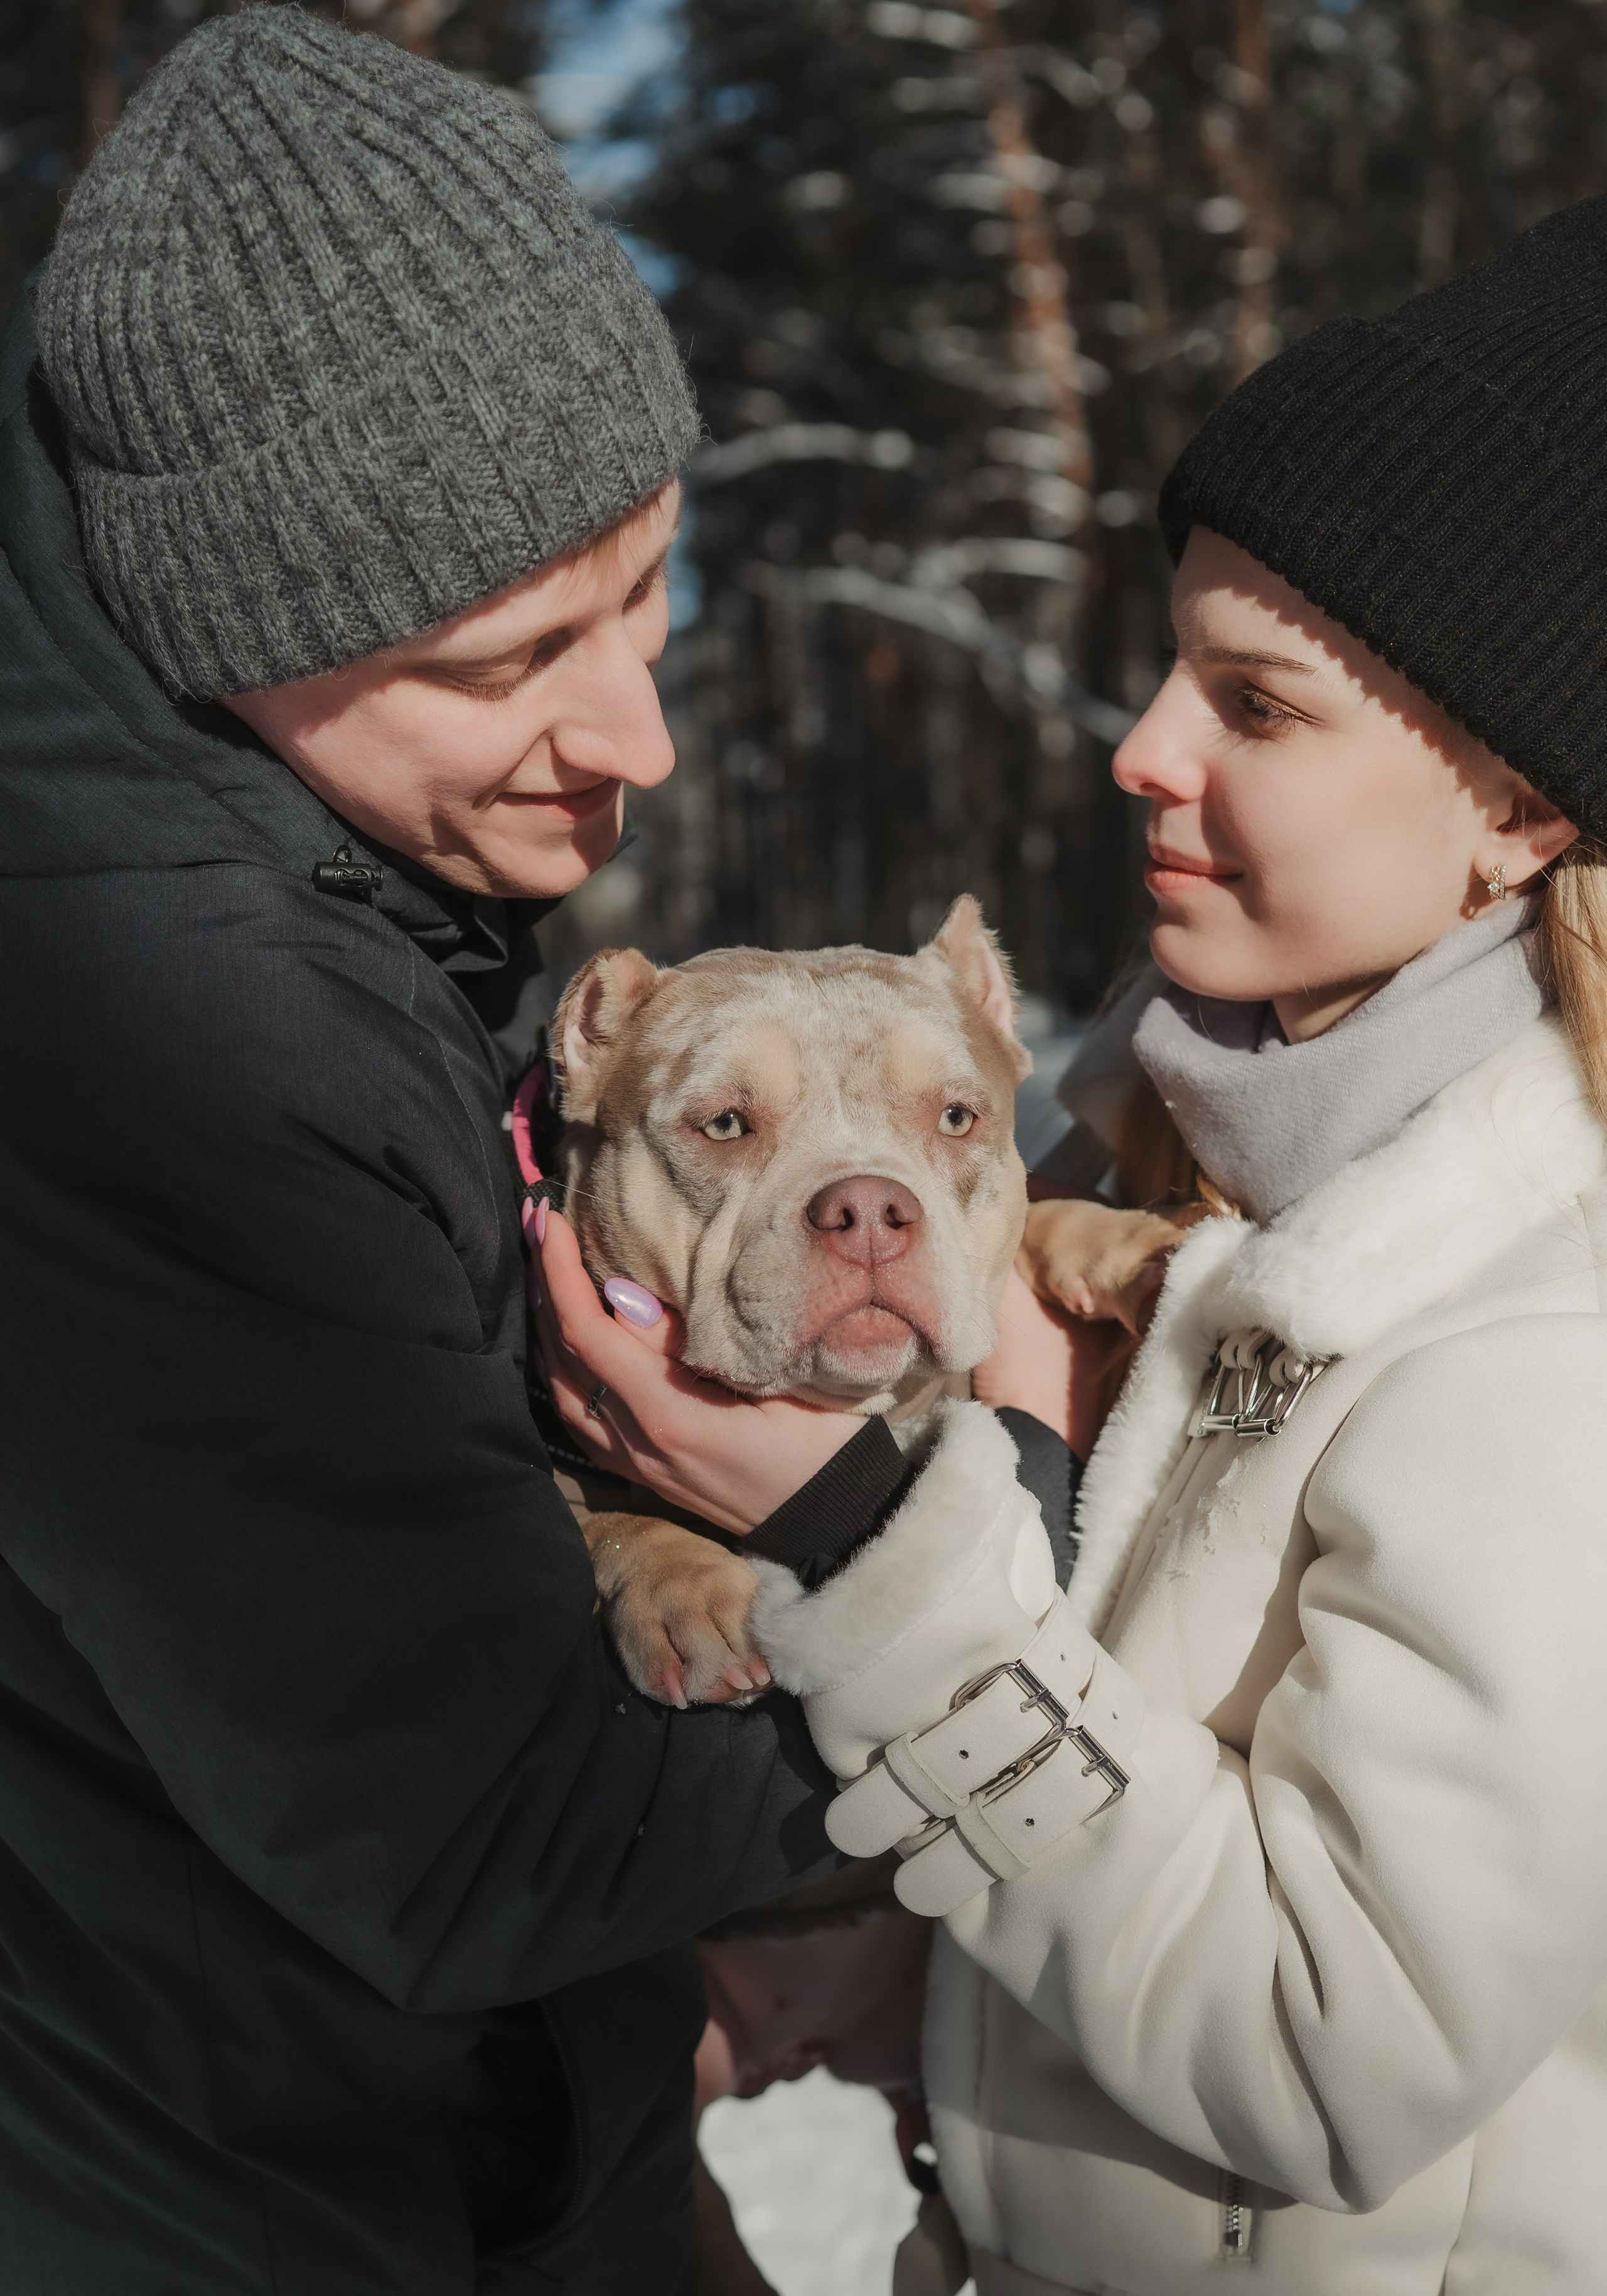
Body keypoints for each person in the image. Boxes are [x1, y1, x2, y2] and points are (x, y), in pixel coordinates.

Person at [0, 4, 1017, 2294]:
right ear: (232, 620)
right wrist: (1008, 1501)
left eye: (648, 583)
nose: (636, 731)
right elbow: (481, 1832)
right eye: (512, 655)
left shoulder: (279, 852)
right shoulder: (138, 1031)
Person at [543, 197, 1607, 2290]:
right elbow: (1112, 1845)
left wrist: (875, 1554)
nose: (1140, 746)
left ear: (1521, 807)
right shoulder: (1097, 1169)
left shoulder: (1535, 1338)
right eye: (1163, 667)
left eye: (1257, 702)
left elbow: (1327, 2057)